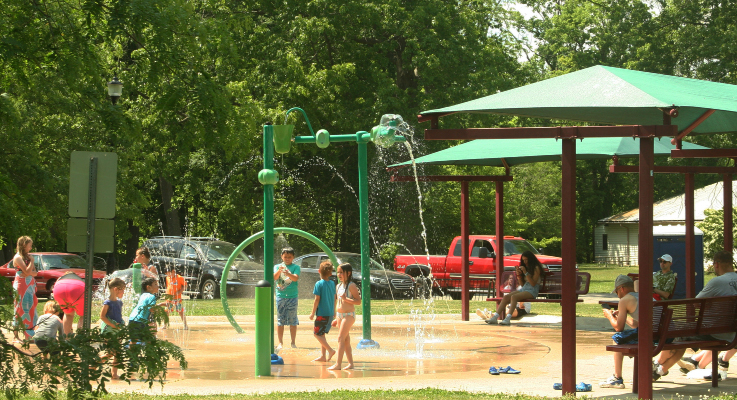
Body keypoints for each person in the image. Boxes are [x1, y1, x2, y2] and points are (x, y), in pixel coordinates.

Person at [653, 250, 737, 380]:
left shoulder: (717, 282)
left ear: (716, 264)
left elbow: (697, 303)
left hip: (713, 331)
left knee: (677, 335)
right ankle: (659, 369)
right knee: (683, 335)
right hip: (733, 332)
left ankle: (658, 366)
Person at [599, 275, 639, 389]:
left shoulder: (625, 300)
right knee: (629, 334)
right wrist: (623, 316)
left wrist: (609, 316)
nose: (617, 294)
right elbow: (638, 324)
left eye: (617, 291)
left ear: (621, 288)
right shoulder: (645, 295)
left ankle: (617, 378)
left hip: (648, 335)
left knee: (617, 338)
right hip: (661, 334)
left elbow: (618, 328)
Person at [486, 251, 544, 326]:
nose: (525, 262)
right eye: (523, 260)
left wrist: (526, 272)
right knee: (506, 297)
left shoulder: (536, 268)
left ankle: (508, 318)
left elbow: (533, 284)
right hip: (525, 289)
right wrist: (519, 275)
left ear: (531, 259)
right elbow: (523, 285)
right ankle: (495, 317)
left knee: (514, 297)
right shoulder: (527, 268)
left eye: (526, 260)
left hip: (532, 290)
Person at [328, 263, 361, 371]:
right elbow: (338, 302)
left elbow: (358, 301)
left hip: (348, 315)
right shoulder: (338, 286)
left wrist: (346, 299)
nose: (339, 274)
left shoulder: (351, 285)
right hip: (339, 315)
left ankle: (338, 364)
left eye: (341, 272)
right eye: (338, 272)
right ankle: (351, 364)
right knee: (346, 340)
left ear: (348, 273)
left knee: (340, 338)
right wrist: (335, 317)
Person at [273, 247, 300, 352]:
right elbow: (274, 278)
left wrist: (287, 273)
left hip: (292, 297)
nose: (287, 259)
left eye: (289, 257)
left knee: (293, 320)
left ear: (293, 257)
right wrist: (280, 271)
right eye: (285, 257)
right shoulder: (277, 266)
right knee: (280, 320)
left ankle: (293, 342)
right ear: (281, 257)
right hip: (280, 296)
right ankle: (280, 342)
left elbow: (295, 278)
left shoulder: (296, 267)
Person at [309, 260, 336, 362]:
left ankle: (330, 350)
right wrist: (334, 311)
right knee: (322, 334)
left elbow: (317, 299)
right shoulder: (332, 283)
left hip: (321, 314)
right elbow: (334, 298)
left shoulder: (319, 284)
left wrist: (312, 313)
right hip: (329, 313)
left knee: (316, 334)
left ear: (319, 271)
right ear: (330, 273)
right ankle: (323, 356)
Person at [100, 277, 126, 379]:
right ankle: (93, 365)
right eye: (122, 289)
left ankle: (114, 374)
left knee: (118, 353)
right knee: (110, 353)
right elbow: (102, 316)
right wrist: (113, 325)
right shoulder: (108, 303)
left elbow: (118, 315)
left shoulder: (119, 302)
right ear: (115, 289)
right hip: (109, 331)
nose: (124, 292)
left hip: (117, 331)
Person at [12, 236, 38, 340]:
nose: (31, 248)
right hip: (21, 285)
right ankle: (16, 335)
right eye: (29, 245)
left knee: (30, 306)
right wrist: (31, 262)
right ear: (24, 245)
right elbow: (27, 271)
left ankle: (29, 334)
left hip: (30, 285)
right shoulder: (18, 257)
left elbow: (34, 273)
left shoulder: (28, 257)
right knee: (20, 307)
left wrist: (29, 271)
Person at [128, 277, 164, 342]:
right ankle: (149, 352)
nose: (158, 286)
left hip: (132, 318)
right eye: (155, 284)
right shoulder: (152, 296)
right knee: (149, 340)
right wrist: (160, 308)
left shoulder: (143, 295)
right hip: (140, 321)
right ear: (149, 287)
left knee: (134, 341)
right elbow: (151, 309)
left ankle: (131, 351)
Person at [164, 265, 188, 330]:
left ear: (173, 271)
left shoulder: (179, 278)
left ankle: (185, 325)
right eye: (167, 274)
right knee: (166, 311)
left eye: (169, 274)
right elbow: (168, 286)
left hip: (177, 298)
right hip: (169, 298)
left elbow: (185, 286)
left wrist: (180, 291)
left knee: (180, 311)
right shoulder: (167, 278)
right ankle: (165, 325)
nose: (168, 276)